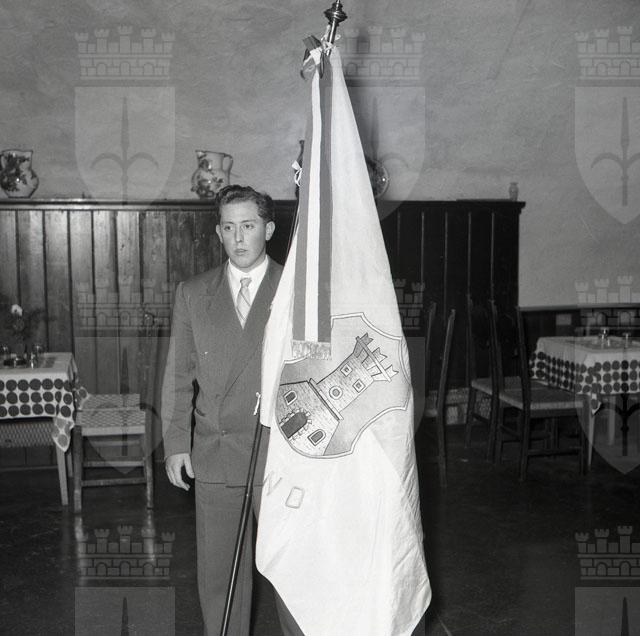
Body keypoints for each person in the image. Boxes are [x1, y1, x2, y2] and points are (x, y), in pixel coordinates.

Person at [161, 185, 300, 635]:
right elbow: (178, 375)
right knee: (221, 577)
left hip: (280, 457)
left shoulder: (296, 289)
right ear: (218, 232)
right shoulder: (193, 293)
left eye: (248, 226)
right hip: (216, 454)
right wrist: (176, 444)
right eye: (228, 227)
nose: (238, 238)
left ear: (269, 230)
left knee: (293, 573)